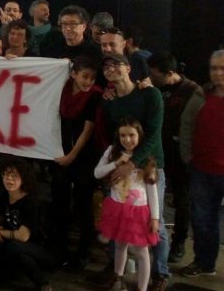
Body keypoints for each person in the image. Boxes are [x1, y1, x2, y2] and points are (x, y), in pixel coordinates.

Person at [147, 52, 204, 262]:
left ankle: (179, 242)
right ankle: (151, 239)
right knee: (154, 198)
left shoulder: (192, 91)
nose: (151, 77)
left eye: (155, 74)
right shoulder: (153, 88)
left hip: (180, 156)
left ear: (170, 73)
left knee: (182, 200)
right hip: (158, 153)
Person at [94, 118, 160, 291]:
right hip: (117, 209)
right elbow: (97, 173)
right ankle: (117, 278)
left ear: (140, 136)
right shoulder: (112, 151)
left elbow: (152, 190)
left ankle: (142, 288)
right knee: (119, 244)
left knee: (142, 251)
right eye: (122, 135)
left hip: (138, 212)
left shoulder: (145, 157)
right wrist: (116, 162)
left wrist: (155, 217)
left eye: (131, 135)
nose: (127, 139)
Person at [51, 57, 102, 269]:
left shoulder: (95, 96)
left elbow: (88, 130)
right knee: (60, 202)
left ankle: (83, 252)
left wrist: (71, 156)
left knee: (83, 204)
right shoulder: (61, 91)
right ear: (73, 74)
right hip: (60, 152)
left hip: (84, 156)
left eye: (92, 78)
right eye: (84, 76)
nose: (88, 82)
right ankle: (59, 249)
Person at [181, 49, 224, 278]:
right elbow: (187, 125)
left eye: (223, 68)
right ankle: (204, 262)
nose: (218, 73)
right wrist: (188, 156)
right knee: (201, 220)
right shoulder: (201, 95)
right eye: (214, 68)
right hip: (202, 169)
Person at [0, 157, 55, 291]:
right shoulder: (4, 196)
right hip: (13, 247)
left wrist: (0, 233)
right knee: (11, 249)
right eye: (6, 174)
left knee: (16, 248)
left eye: (14, 175)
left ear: (23, 178)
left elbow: (23, 236)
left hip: (37, 249)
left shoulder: (30, 201)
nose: (9, 179)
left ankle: (43, 284)